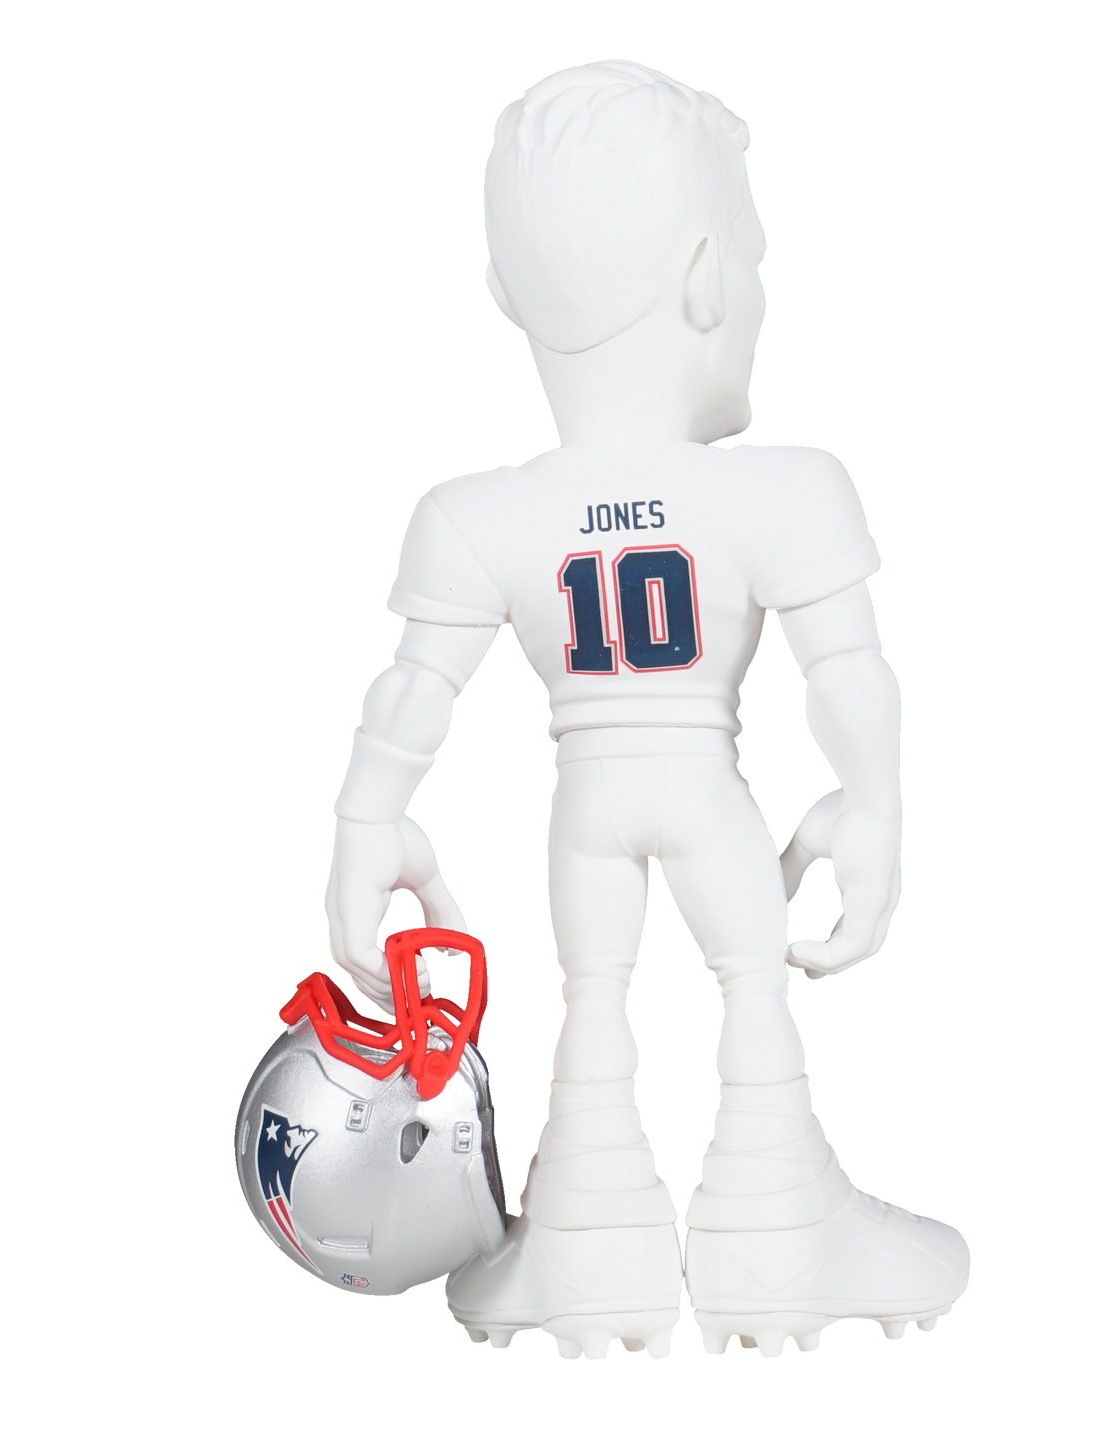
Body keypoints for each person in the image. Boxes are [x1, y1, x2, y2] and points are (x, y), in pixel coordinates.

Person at [321, 58, 970, 1362]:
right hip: (712, 797)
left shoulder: (475, 513)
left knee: (592, 1005)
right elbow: (851, 681)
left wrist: (363, 825)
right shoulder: (789, 490)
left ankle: (585, 1238)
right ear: (710, 279)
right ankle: (777, 1233)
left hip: (584, 808)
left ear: (505, 291)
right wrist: (873, 809)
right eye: (760, 260)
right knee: (754, 993)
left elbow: (409, 698)